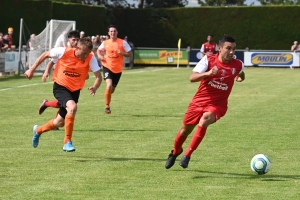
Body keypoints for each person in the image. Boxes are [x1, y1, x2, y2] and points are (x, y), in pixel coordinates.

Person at [165, 35, 245, 169]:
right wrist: (208, 74)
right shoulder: (208, 60)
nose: (232, 52)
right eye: (228, 48)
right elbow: (192, 78)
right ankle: (175, 151)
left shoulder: (238, 64)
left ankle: (187, 155)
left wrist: (239, 77)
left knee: (205, 120)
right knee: (185, 131)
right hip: (199, 102)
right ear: (220, 48)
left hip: (218, 105)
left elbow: (241, 72)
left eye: (234, 49)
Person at [24, 37, 102, 152]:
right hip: (61, 86)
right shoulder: (63, 51)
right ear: (77, 48)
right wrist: (32, 69)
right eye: (84, 53)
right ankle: (67, 142)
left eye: (88, 53)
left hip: (75, 91)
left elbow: (99, 77)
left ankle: (38, 131)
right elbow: (46, 54)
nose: (86, 56)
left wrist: (95, 87)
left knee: (59, 123)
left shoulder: (90, 57)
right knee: (73, 107)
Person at [38, 30, 81, 115]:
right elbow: (52, 62)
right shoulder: (63, 51)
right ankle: (55, 120)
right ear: (68, 40)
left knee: (67, 103)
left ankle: (47, 105)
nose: (76, 42)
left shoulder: (80, 52)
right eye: (73, 40)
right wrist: (46, 72)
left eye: (77, 40)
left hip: (74, 83)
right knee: (68, 103)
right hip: (62, 82)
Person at [97, 25, 132, 114]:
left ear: (117, 32)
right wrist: (100, 56)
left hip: (118, 69)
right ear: (108, 33)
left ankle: (108, 94)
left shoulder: (122, 42)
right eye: (111, 31)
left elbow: (130, 54)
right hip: (107, 66)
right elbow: (98, 50)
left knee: (112, 89)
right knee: (108, 85)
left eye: (114, 31)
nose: (113, 33)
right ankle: (107, 107)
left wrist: (122, 53)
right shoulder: (105, 42)